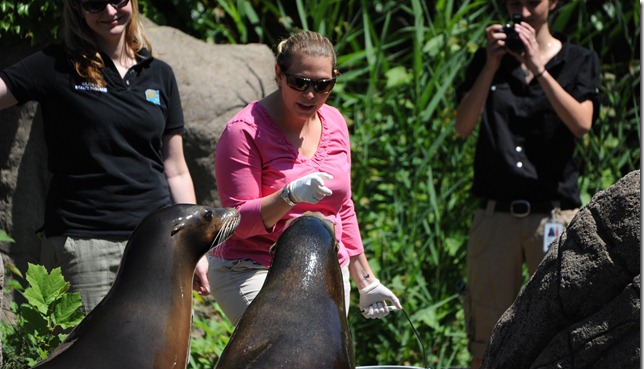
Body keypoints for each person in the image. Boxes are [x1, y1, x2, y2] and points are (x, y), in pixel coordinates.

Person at [0, 0, 210, 314]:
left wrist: (195, 247)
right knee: (88, 360)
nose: (110, 11)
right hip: (87, 244)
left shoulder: (159, 74)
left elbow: (175, 169)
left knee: (160, 360)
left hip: (157, 243)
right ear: (77, 9)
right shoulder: (56, 64)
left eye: (119, 0)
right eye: (95, 3)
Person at [208, 30, 403, 325]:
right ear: (278, 74)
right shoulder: (244, 132)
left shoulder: (335, 121)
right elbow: (239, 223)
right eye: (299, 82)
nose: (310, 94)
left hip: (324, 267)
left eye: (323, 85)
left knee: (322, 367)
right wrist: (289, 196)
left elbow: (343, 207)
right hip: (253, 268)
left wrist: (366, 279)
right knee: (285, 353)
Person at [454, 0, 600, 369]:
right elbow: (463, 126)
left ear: (553, 3)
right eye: (514, 0)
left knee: (557, 333)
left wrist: (538, 66)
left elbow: (582, 124)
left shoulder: (578, 61)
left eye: (532, 0)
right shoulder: (489, 59)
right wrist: (489, 65)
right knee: (486, 344)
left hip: (552, 216)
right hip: (495, 217)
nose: (522, 8)